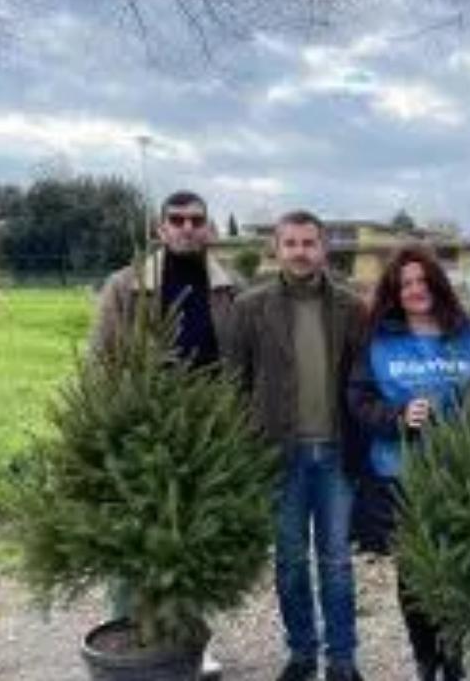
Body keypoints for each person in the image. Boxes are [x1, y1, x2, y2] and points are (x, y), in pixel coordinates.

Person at [90, 189, 238, 680]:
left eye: (196, 220)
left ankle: (191, 642)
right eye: (177, 219)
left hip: (207, 435)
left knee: (193, 540)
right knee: (133, 539)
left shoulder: (228, 288)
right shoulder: (125, 286)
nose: (187, 228)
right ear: (160, 228)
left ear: (208, 228)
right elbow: (102, 360)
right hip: (139, 432)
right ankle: (131, 634)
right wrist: (111, 428)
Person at [226, 210, 367, 681]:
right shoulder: (250, 308)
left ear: (323, 248)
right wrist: (243, 450)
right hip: (276, 455)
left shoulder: (351, 307)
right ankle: (302, 653)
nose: (300, 252)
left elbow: (363, 382)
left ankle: (342, 659)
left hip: (335, 453)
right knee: (289, 562)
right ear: (277, 248)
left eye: (309, 243)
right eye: (291, 243)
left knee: (337, 562)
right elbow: (235, 385)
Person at [347, 245, 470, 681]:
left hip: (461, 473)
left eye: (423, 280)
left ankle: (454, 658)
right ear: (395, 292)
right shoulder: (378, 342)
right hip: (401, 476)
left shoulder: (469, 335)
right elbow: (359, 401)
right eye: (405, 283)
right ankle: (425, 659)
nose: (415, 289)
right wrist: (398, 416)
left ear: (437, 285)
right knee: (414, 573)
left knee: (458, 566)